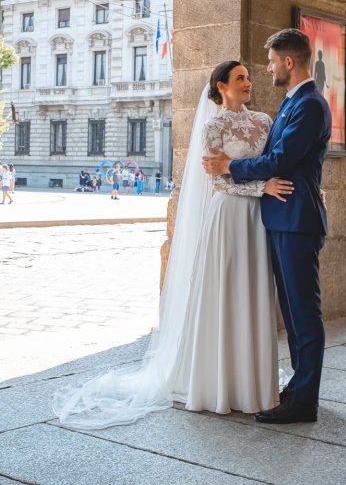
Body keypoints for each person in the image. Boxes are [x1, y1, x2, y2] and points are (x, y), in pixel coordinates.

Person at [53, 61, 293, 429]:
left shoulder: (264, 120)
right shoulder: (212, 127)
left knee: (255, 294)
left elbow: (269, 163)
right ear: (221, 86)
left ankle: (253, 385)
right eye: (240, 78)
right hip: (228, 216)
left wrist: (261, 181)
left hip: (257, 220)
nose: (249, 83)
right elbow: (218, 181)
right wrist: (262, 186)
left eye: (249, 77)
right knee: (224, 296)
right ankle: (215, 384)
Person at [203, 29, 332, 424]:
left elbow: (279, 159)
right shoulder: (293, 102)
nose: (268, 68)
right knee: (292, 313)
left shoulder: (309, 105)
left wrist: (231, 166)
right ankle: (298, 385)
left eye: (273, 61)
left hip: (296, 219)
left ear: (288, 62)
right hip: (280, 217)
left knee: (304, 313)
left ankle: (304, 401)